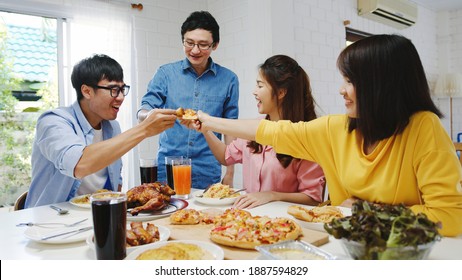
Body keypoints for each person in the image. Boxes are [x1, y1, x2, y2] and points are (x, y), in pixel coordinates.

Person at [192, 34, 462, 237]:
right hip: (347, 241)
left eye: (349, 81)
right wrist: (207, 121)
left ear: (382, 85)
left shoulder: (423, 127)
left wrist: (366, 210)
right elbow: (273, 131)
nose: (341, 90)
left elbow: (449, 216)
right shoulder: (338, 128)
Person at [26, 54, 177, 208]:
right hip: (49, 221)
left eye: (122, 89)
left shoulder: (112, 127)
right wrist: (144, 129)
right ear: (87, 91)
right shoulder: (53, 121)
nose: (120, 97)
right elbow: (79, 165)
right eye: (113, 89)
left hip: (98, 217)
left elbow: (116, 184)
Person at [186, 55, 325, 209]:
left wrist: (272, 195)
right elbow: (225, 156)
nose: (254, 91)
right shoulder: (255, 128)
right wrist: (205, 130)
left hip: (283, 223)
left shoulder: (306, 135)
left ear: (281, 92)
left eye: (260, 86)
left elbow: (313, 198)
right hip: (247, 219)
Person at [137, 11, 239, 189]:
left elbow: (230, 128)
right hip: (168, 167)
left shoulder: (229, 79)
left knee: (204, 217)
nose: (195, 50)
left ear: (215, 45)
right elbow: (144, 110)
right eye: (189, 43)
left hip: (208, 168)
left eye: (203, 45)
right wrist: (150, 115)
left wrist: (230, 173)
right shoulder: (165, 73)